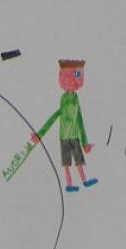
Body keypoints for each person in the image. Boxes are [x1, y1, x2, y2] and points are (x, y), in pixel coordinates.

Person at [32, 59, 96, 193]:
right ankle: (69, 184)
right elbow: (55, 116)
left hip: (74, 135)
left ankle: (84, 180)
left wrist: (85, 143)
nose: (74, 79)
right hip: (64, 136)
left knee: (78, 161)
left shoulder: (75, 98)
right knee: (67, 163)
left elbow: (80, 119)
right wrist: (40, 134)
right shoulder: (64, 98)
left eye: (78, 74)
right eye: (74, 74)